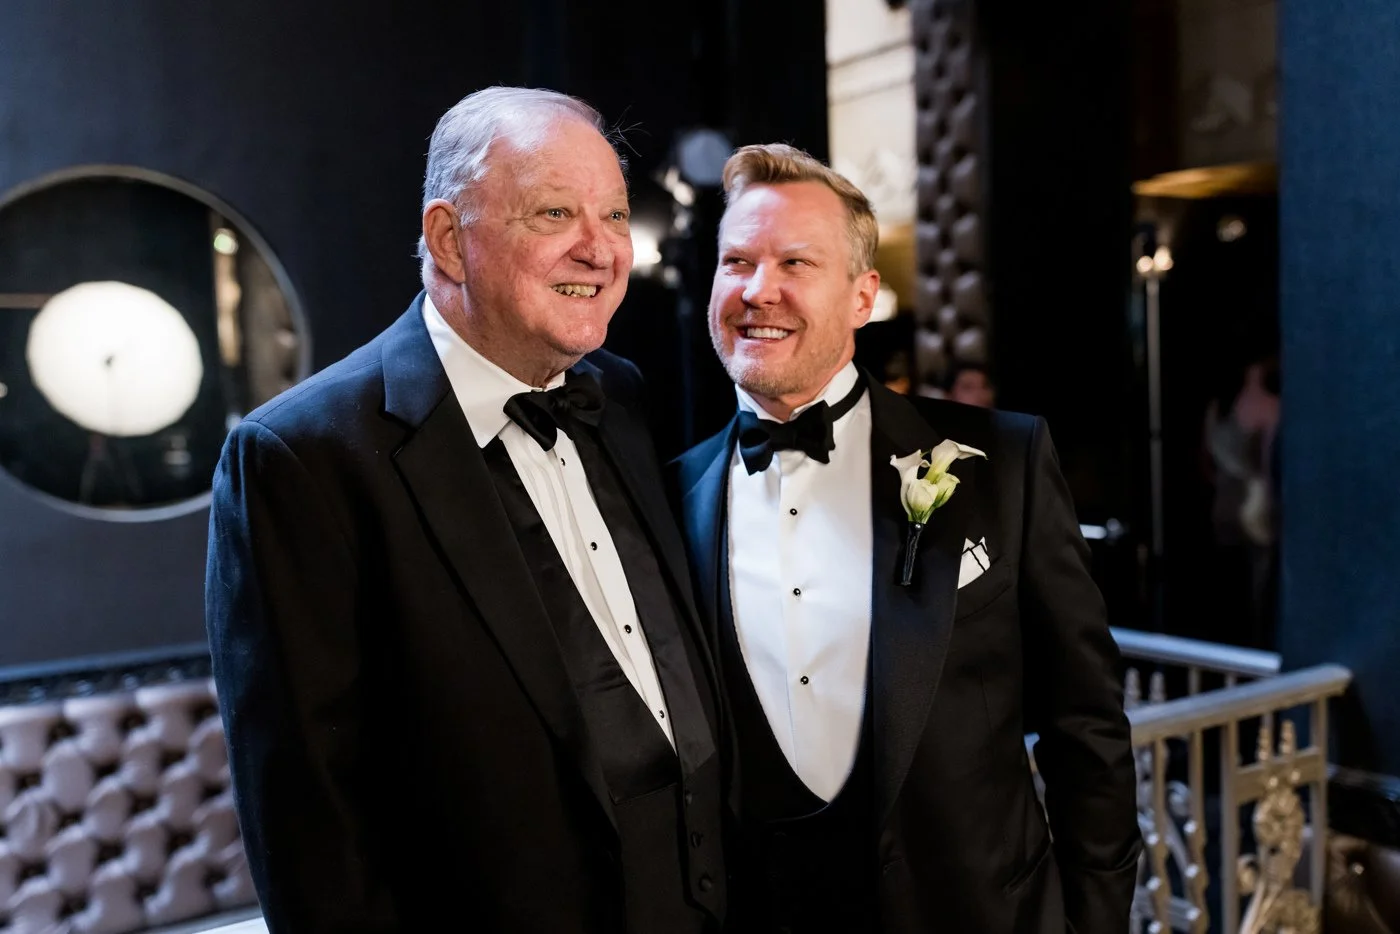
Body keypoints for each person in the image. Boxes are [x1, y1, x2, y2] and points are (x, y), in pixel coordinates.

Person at [205, 87, 725, 933]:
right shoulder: (302, 455)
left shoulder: (620, 393)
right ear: (450, 240)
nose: (601, 249)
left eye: (614, 215)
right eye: (554, 212)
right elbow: (309, 828)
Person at [672, 143, 1140, 933]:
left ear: (862, 297)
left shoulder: (1004, 463)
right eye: (737, 261)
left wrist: (1094, 919)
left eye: (795, 262)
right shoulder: (671, 497)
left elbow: (1085, 724)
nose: (758, 290)